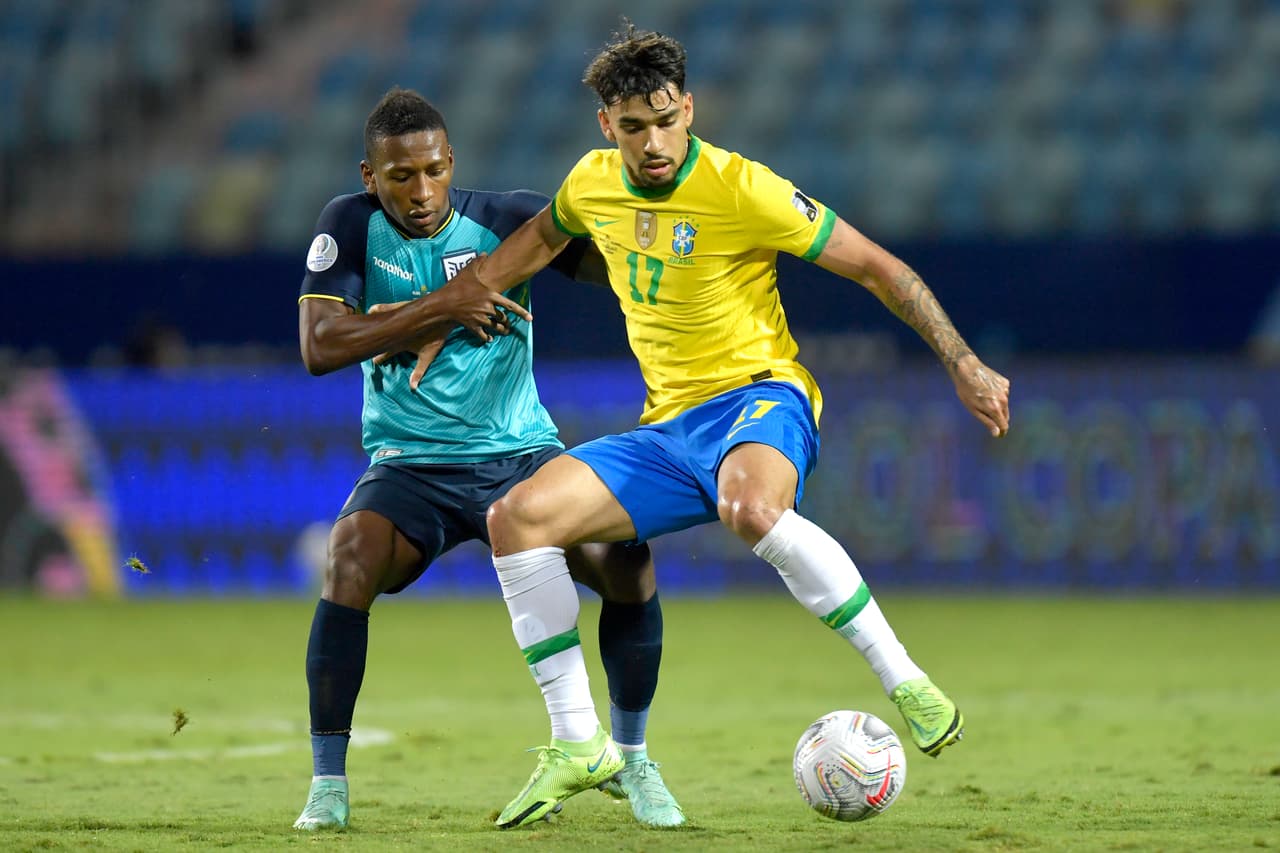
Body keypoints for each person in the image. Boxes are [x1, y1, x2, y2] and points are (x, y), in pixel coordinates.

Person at [422, 24, 1012, 828]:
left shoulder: (744, 188)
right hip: (666, 431)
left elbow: (879, 266)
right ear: (608, 127)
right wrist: (445, 312)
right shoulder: (593, 184)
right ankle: (576, 742)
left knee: (751, 508)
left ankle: (904, 675)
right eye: (634, 127)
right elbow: (525, 250)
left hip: (760, 397)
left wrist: (963, 361)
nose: (653, 141)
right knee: (515, 520)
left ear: (689, 109)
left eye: (666, 120)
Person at [291, 87, 684, 831]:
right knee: (348, 558)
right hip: (410, 466)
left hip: (521, 456)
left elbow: (620, 273)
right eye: (400, 176)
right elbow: (319, 348)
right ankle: (327, 786)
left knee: (626, 557)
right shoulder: (347, 225)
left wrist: (654, 228)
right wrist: (447, 303)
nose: (421, 190)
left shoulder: (506, 219)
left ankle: (631, 759)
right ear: (369, 176)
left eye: (434, 170)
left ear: (452, 162)